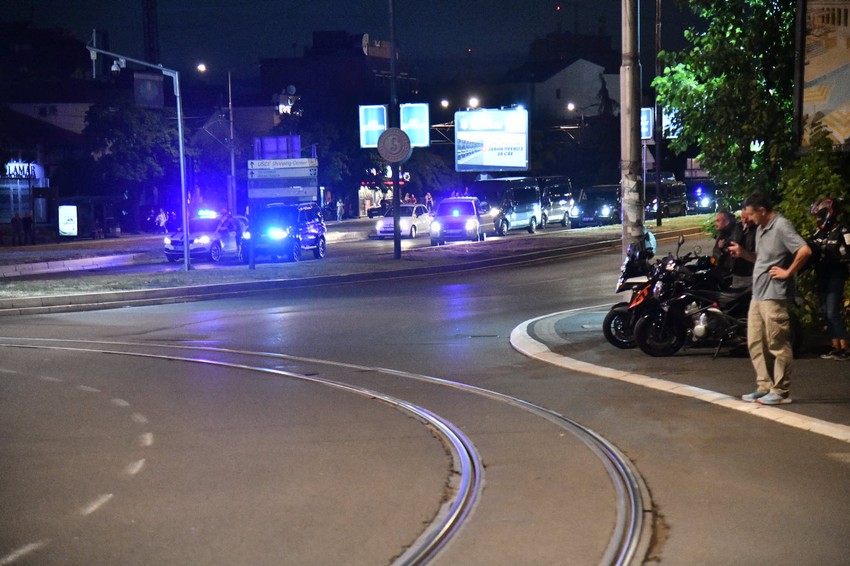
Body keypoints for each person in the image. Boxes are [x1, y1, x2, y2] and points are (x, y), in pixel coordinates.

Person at [729, 192, 812, 405]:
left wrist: (788, 272)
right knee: (755, 342)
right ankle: (764, 386)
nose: (748, 218)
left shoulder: (782, 226)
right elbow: (761, 258)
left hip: (774, 295)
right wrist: (742, 253)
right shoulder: (761, 229)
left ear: (762, 211)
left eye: (751, 214)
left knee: (777, 342)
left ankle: (780, 390)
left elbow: (804, 250)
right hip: (757, 295)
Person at [807, 198, 850, 360]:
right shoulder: (819, 233)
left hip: (836, 276)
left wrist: (836, 259)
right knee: (826, 312)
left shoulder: (843, 230)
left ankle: (845, 347)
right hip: (822, 276)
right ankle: (835, 346)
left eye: (820, 216)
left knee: (832, 312)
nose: (817, 219)